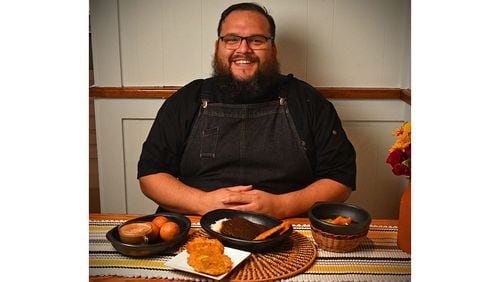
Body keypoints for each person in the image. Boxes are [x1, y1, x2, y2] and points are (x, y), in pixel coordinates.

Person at [137, 2, 356, 219]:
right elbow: (150, 174)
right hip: (198, 221)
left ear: (273, 48)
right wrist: (202, 202)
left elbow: (340, 178)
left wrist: (283, 206)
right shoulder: (187, 100)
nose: (243, 49)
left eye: (256, 40)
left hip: (285, 226)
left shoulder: (307, 100)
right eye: (232, 39)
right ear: (217, 47)